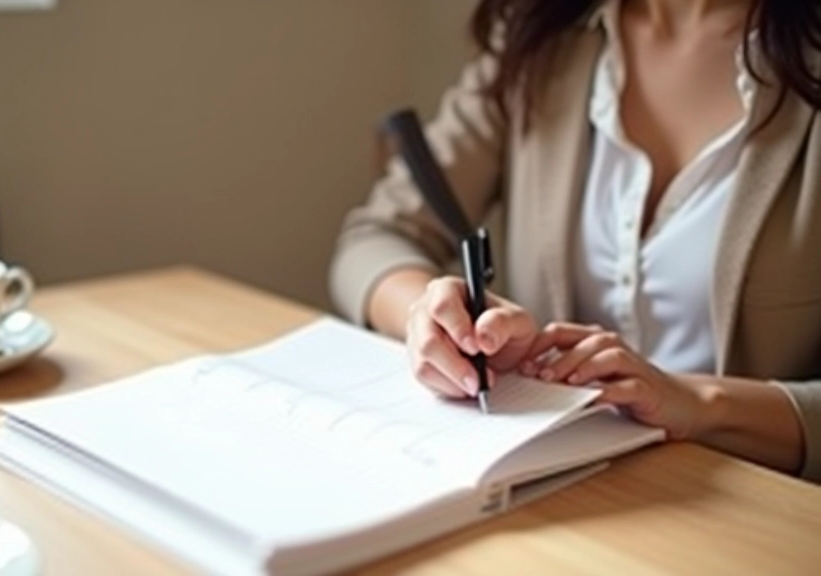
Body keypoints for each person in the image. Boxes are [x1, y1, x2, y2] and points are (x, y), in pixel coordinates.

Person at [329, 0, 821, 482]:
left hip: (750, 509)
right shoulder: (543, 30)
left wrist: (701, 403)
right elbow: (376, 234)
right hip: (550, 488)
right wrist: (432, 316)